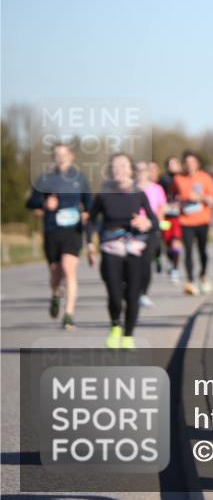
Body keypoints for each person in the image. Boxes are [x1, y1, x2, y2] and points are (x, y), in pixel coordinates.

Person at [86, 153, 158, 349]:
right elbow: (91, 221)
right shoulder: (103, 194)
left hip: (135, 248)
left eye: (124, 166)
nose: (120, 169)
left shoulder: (139, 194)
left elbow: (155, 222)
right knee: (115, 295)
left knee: (133, 295)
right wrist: (90, 244)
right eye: (116, 166)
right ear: (111, 170)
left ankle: (128, 335)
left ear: (131, 170)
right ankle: (115, 325)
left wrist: (147, 223)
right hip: (110, 248)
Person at [25, 143, 93, 330]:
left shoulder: (79, 178)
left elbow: (89, 204)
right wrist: (45, 203)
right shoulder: (45, 179)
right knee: (55, 272)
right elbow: (30, 202)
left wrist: (87, 216)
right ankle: (55, 294)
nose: (61, 157)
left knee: (68, 268)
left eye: (64, 154)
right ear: (53, 158)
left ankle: (69, 315)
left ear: (71, 157)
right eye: (57, 154)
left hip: (73, 231)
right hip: (52, 230)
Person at [171, 151, 213, 295]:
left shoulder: (205, 178)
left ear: (197, 163)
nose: (190, 165)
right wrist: (178, 201)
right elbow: (173, 197)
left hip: (202, 220)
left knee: (202, 251)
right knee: (188, 251)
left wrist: (200, 198)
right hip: (185, 221)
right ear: (184, 164)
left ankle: (203, 275)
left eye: (193, 162)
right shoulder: (178, 179)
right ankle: (190, 281)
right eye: (187, 162)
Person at [136, 161, 167, 308]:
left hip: (151, 228)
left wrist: (155, 222)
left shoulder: (157, 189)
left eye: (144, 170)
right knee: (134, 262)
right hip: (134, 229)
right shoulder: (130, 189)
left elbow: (161, 207)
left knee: (146, 261)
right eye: (138, 170)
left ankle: (143, 293)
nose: (141, 173)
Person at [160, 156, 184, 285]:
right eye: (170, 164)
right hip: (166, 216)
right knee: (167, 243)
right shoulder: (163, 179)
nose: (172, 166)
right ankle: (171, 263)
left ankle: (175, 269)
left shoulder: (184, 178)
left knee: (176, 241)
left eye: (175, 163)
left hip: (178, 216)